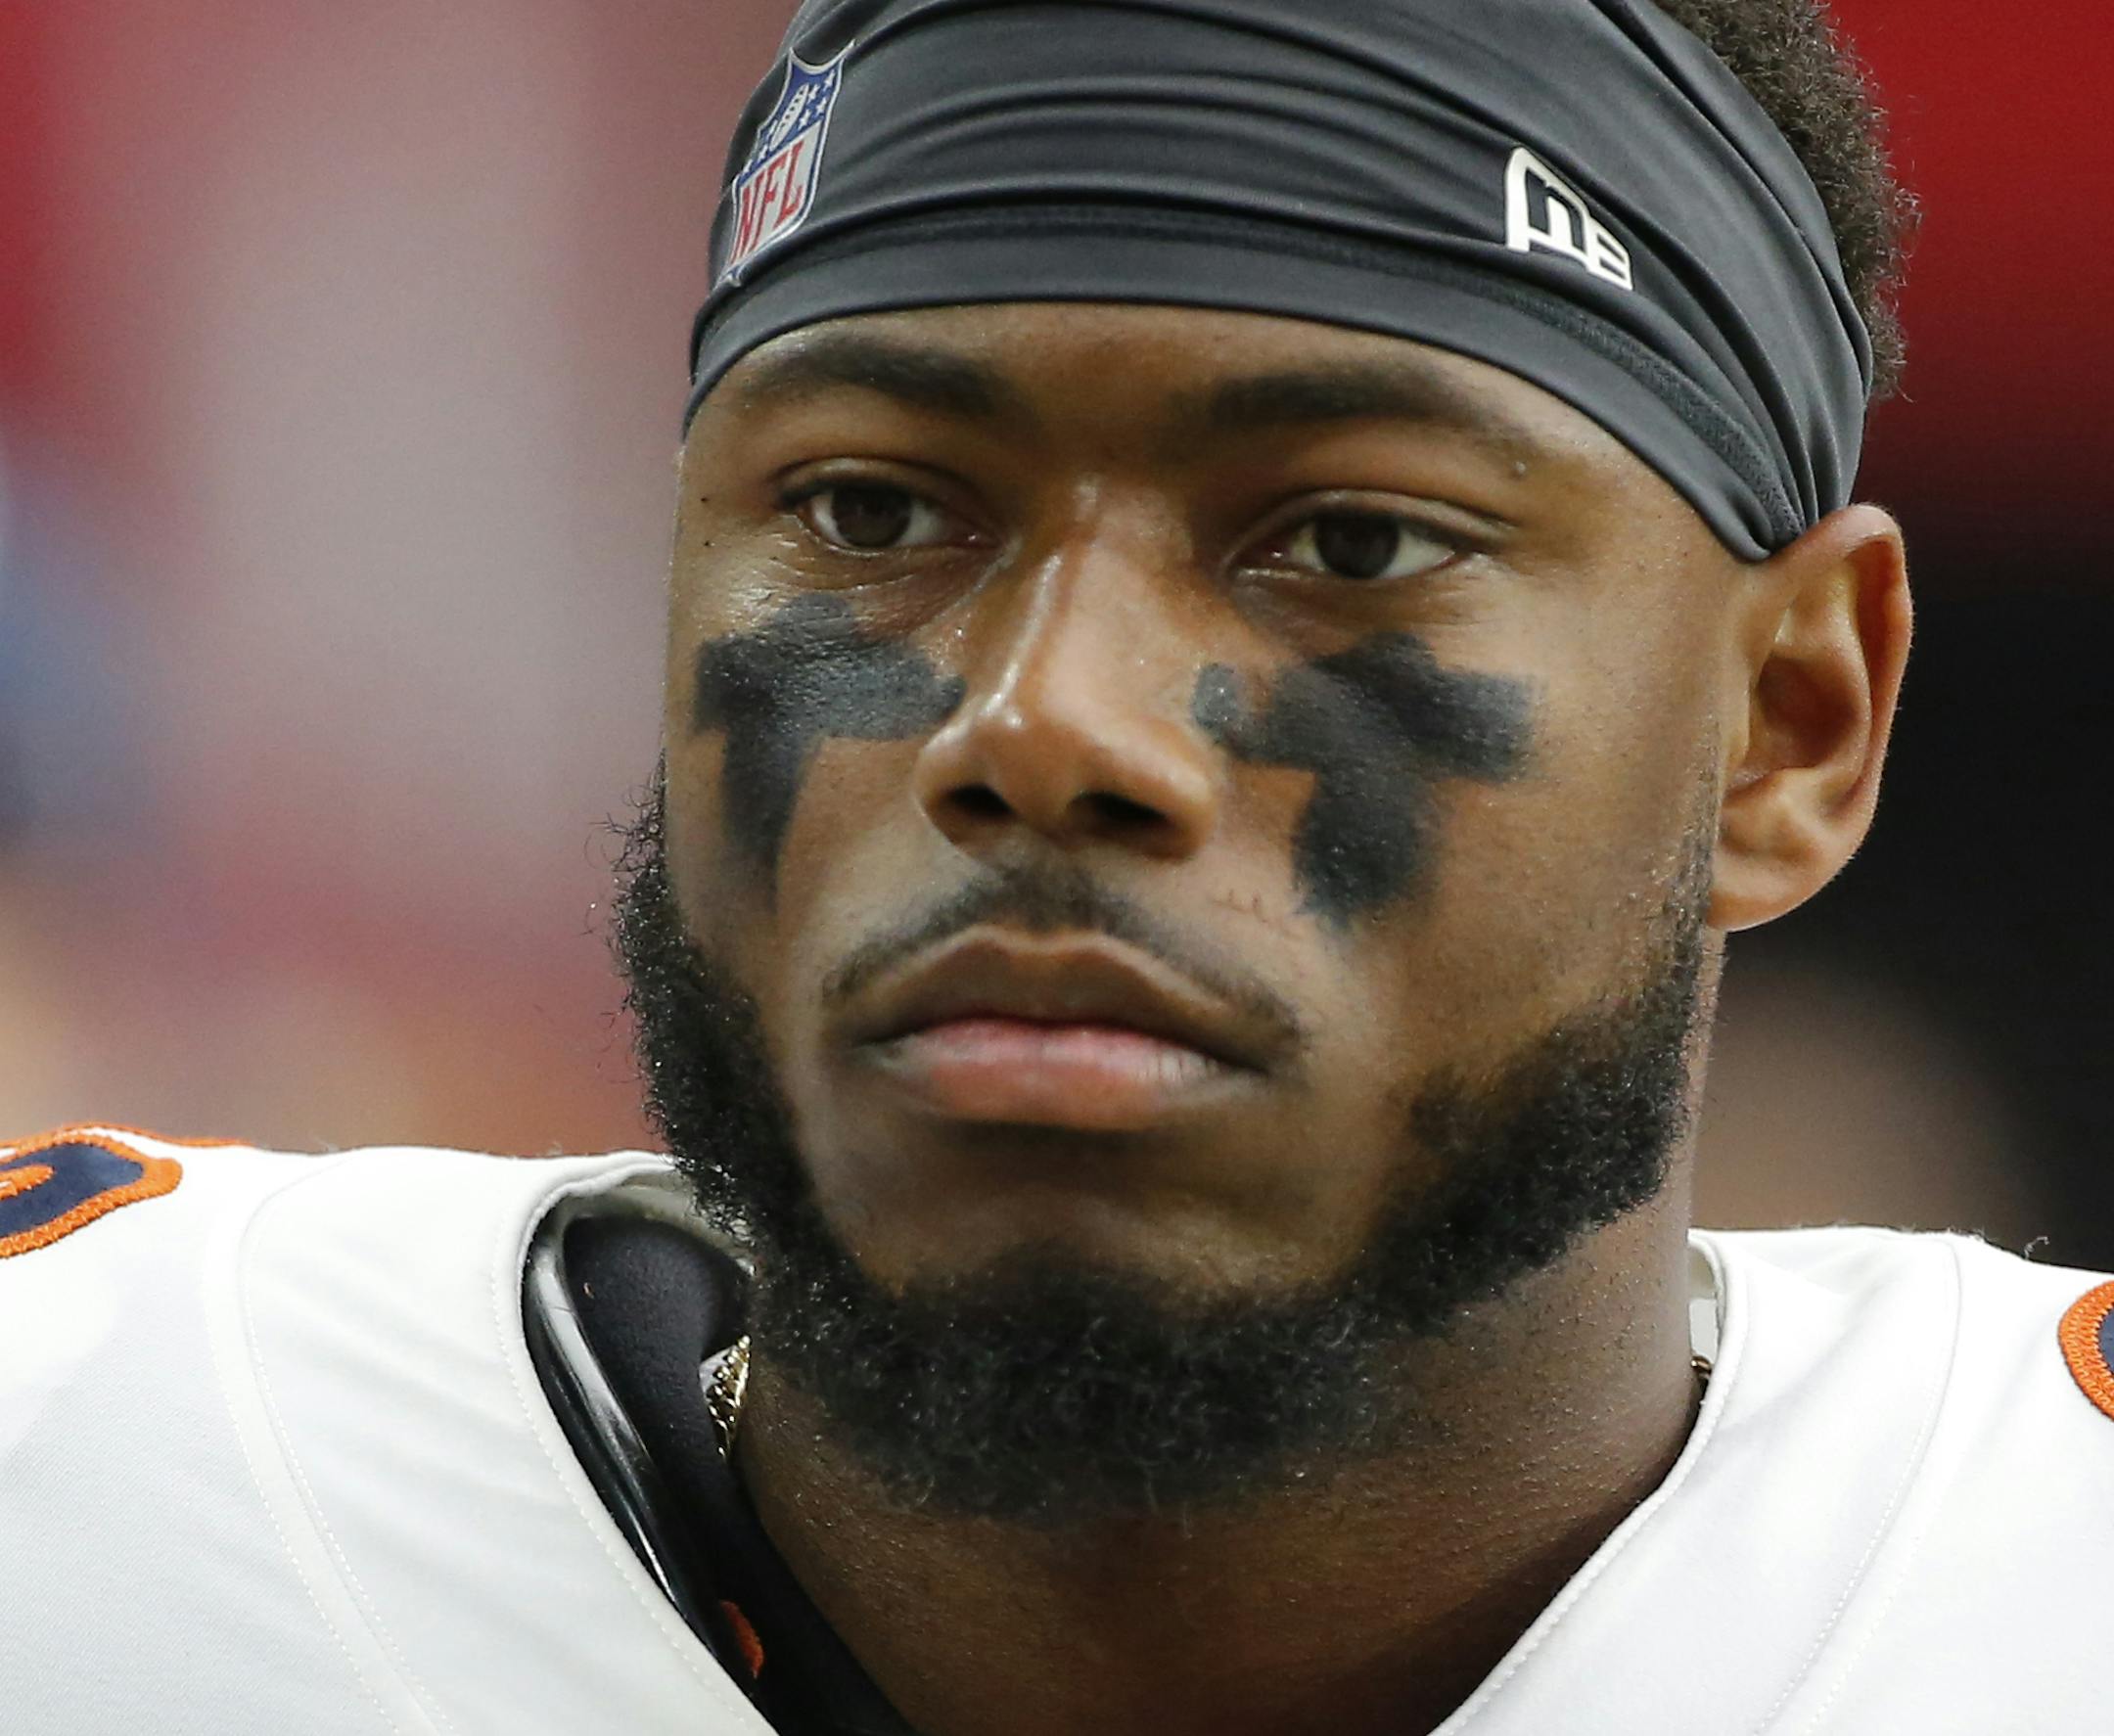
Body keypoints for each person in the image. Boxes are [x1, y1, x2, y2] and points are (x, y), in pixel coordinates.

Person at [6, 2, 2111, 1731]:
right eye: (868, 506)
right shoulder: (73, 1450)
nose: (1045, 723)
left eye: (1356, 541)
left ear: (1794, 724)